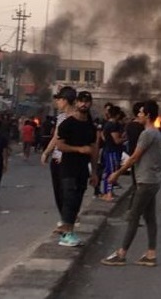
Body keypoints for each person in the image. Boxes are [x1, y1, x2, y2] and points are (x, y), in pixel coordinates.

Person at [101, 99, 161, 267]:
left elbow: (135, 156)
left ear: (147, 115)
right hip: (153, 180)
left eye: (141, 113)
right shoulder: (157, 133)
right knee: (150, 218)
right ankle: (151, 253)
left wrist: (117, 173)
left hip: (145, 181)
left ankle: (122, 253)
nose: (138, 115)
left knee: (134, 217)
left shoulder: (147, 134)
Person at [54, 90, 99, 247]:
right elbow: (60, 145)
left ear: (90, 103)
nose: (84, 104)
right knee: (69, 200)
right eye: (81, 101)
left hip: (83, 169)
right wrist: (79, 149)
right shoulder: (68, 124)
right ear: (77, 103)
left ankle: (70, 231)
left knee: (77, 200)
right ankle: (65, 234)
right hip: (68, 168)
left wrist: (94, 172)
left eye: (87, 101)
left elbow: (94, 150)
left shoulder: (90, 126)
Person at [41, 86, 77, 229]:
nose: (57, 102)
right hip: (56, 159)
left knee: (67, 192)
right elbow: (56, 137)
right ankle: (64, 219)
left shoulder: (76, 118)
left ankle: (69, 222)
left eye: (59, 99)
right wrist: (46, 152)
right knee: (58, 192)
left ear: (65, 100)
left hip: (68, 160)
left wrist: (67, 155)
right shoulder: (61, 117)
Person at [101, 106, 126, 203]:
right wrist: (125, 138)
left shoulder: (108, 124)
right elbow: (117, 140)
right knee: (112, 172)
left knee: (109, 171)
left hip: (109, 150)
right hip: (112, 151)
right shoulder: (112, 125)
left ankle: (108, 191)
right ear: (117, 115)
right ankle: (108, 193)